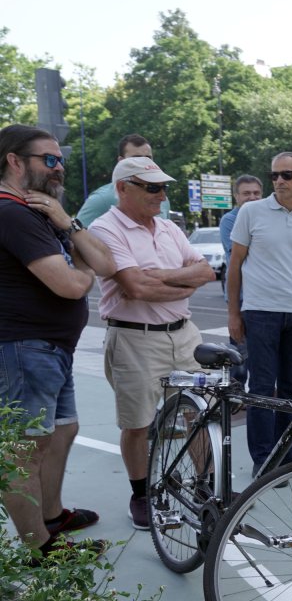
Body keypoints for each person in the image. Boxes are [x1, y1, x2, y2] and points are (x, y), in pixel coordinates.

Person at [0, 124, 115, 559]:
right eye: (49, 159)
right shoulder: (11, 212)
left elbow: (105, 263)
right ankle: (40, 547)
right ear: (15, 161)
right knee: (24, 452)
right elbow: (71, 284)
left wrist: (67, 221)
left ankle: (51, 516)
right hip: (23, 348)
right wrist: (82, 276)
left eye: (60, 159)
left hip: (50, 349)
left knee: (63, 431)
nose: (59, 167)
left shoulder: (41, 214)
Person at [90, 156, 214, 530]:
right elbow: (135, 287)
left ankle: (203, 488)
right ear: (122, 188)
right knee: (137, 424)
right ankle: (141, 495)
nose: (161, 195)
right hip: (134, 338)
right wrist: (181, 282)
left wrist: (164, 276)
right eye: (152, 187)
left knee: (198, 415)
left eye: (164, 187)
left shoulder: (168, 228)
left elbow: (206, 271)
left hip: (184, 333)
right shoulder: (105, 228)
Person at [227, 152, 292, 477]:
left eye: (287, 175)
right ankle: (263, 459)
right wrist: (234, 313)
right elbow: (235, 266)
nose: (279, 181)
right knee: (261, 386)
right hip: (261, 312)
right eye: (274, 176)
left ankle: (286, 454)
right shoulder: (251, 212)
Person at [218, 174, 263, 387]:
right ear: (236, 196)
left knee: (259, 350)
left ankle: (256, 391)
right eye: (246, 193)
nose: (251, 197)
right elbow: (241, 258)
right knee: (238, 348)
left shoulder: (266, 218)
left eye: (256, 193)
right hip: (241, 295)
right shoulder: (230, 220)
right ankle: (236, 392)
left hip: (263, 295)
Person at [75, 134, 170, 226]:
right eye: (136, 158)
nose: (143, 163)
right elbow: (78, 234)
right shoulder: (101, 199)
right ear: (121, 161)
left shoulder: (162, 198)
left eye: (148, 158)